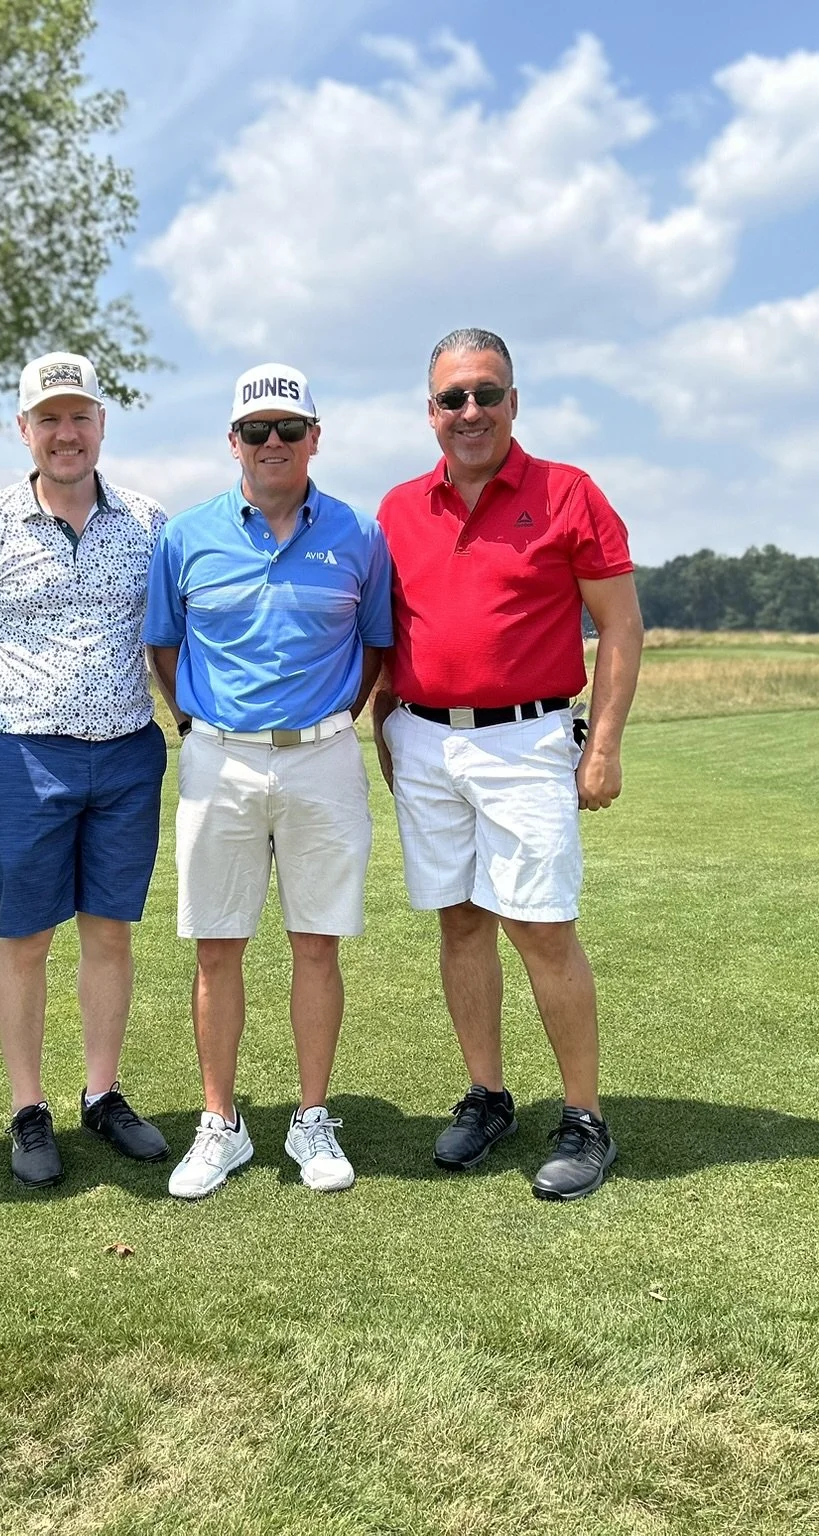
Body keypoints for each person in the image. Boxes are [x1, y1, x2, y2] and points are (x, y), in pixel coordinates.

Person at [371, 328, 643, 1201]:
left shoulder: (569, 493)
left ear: (513, 402)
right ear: (431, 412)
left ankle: (584, 1118)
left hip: (527, 740)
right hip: (423, 738)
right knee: (459, 922)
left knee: (541, 926)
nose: (471, 410)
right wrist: (384, 725)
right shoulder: (398, 509)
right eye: (453, 398)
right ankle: (487, 1095)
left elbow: (622, 627)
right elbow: (389, 632)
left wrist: (603, 746)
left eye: (486, 393)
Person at [144, 363, 393, 1200]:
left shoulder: (359, 535)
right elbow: (164, 647)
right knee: (218, 945)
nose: (273, 442)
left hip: (325, 754)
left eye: (290, 428)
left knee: (316, 941)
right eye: (258, 430)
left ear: (315, 438)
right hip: (220, 756)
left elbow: (376, 645)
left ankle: (312, 1117)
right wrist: (194, 726)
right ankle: (221, 1123)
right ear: (234, 441)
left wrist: (336, 719)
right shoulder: (185, 537)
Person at [0, 352, 172, 1188]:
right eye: (48, 419)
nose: (65, 433)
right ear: (24, 429)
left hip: (128, 751)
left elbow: (164, 630)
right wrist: (29, 683)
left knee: (109, 930)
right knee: (26, 935)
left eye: (79, 417)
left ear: (101, 424)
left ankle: (102, 1094)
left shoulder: (149, 521)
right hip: (25, 755)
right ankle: (28, 1107)